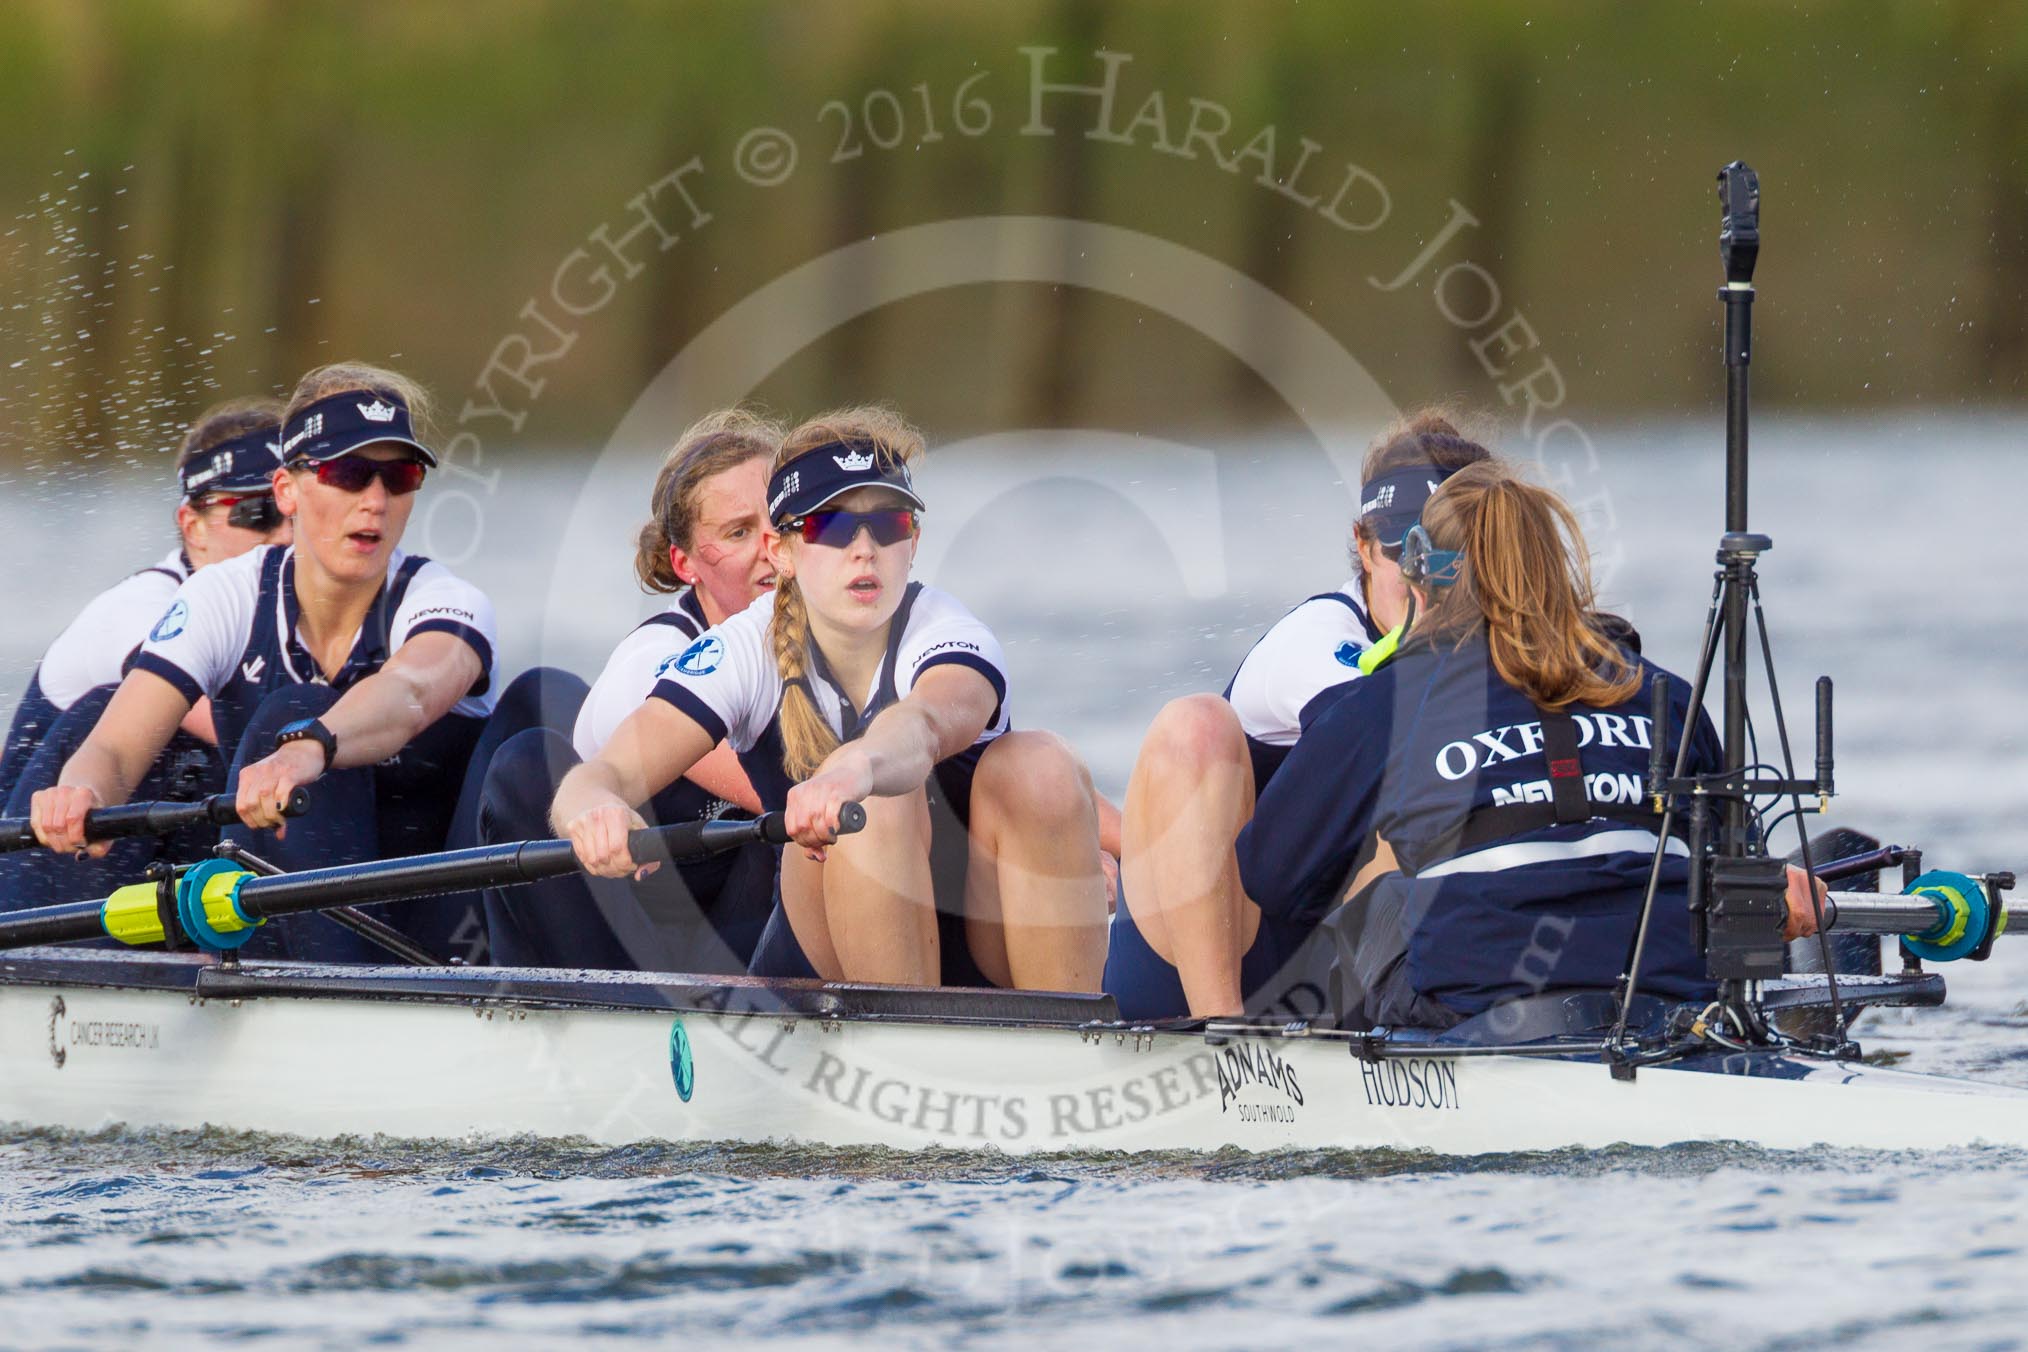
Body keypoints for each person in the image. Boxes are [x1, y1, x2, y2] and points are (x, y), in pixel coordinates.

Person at [1232, 458, 1822, 1029]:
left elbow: (1270, 876)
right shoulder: (1663, 692)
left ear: (1425, 575)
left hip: (1481, 999)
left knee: (1384, 903)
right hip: (1663, 984)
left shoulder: (1387, 701)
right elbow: (1735, 863)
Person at [552, 406, 1110, 990]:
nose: (864, 549)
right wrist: (594, 812)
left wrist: (855, 766)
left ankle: (1075, 1040)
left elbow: (921, 725)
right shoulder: (743, 648)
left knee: (1039, 764)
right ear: (783, 551)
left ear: (912, 542)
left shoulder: (946, 630)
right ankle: (903, 1055)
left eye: (888, 524)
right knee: (875, 807)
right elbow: (599, 775)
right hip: (820, 956)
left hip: (978, 940)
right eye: (832, 527)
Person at [26, 363, 499, 963]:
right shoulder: (222, 596)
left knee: (297, 709)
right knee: (96, 729)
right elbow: (118, 746)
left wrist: (311, 745)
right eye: (348, 473)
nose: (375, 501)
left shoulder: (445, 601)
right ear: (287, 492)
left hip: (432, 939)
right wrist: (82, 791)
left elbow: (408, 692)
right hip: (281, 927)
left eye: (399, 477)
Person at [1105, 411, 1490, 1018]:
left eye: (1445, 549)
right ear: (1364, 547)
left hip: (1331, 964)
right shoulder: (1318, 638)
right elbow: (1388, 732)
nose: (1422, 573)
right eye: (1400, 545)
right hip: (1206, 955)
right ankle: (1224, 1037)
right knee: (1197, 725)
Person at [471, 408, 784, 971]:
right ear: (685, 564)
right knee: (526, 752)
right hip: (622, 947)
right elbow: (782, 792)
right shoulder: (651, 663)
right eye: (739, 532)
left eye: (781, 524)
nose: (771, 549)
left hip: (735, 933)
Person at [0, 397, 291, 910]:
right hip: (41, 875)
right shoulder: (142, 609)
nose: (285, 535)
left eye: (294, 510)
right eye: (257, 513)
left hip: (151, 862)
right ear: (192, 525)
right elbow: (253, 736)